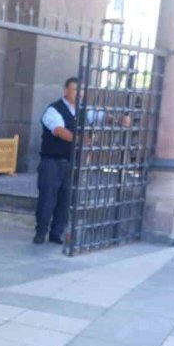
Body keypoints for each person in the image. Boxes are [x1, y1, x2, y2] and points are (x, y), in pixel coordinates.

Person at [35, 77, 129, 245]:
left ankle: (57, 233)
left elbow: (101, 116)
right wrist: (79, 140)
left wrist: (118, 120)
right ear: (66, 91)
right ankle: (41, 232)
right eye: (76, 89)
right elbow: (58, 131)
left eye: (83, 90)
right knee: (48, 197)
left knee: (66, 199)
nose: (80, 93)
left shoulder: (83, 110)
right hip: (52, 162)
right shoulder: (53, 110)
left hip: (72, 162)